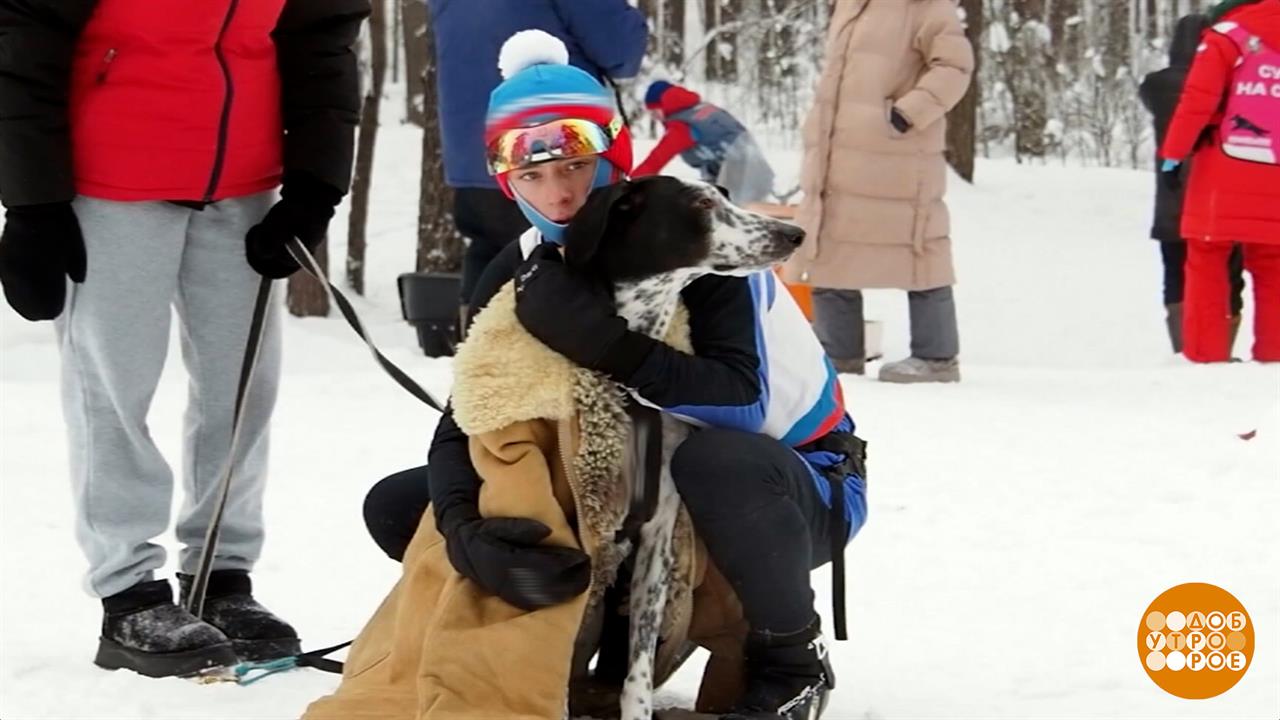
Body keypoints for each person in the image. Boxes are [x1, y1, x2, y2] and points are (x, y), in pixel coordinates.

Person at [360, 31, 867, 719]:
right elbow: (466, 423)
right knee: (406, 504)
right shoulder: (521, 266)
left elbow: (741, 405)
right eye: (531, 173)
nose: (558, 192)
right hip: (635, 483)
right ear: (507, 181)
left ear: (609, 156)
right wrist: (462, 531)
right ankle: (558, 655)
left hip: (793, 485)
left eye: (573, 164)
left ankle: (789, 662)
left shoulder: (688, 236)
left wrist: (601, 344)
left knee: (717, 464)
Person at [0, 0, 368, 677]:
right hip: (109, 178)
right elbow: (23, 35)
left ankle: (221, 579)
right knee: (113, 388)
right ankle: (129, 589)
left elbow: (323, 40)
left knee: (243, 389)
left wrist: (318, 183)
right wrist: (30, 202)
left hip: (246, 183)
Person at [782, 0, 974, 383]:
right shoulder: (852, 5)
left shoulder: (926, 6)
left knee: (920, 246)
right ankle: (838, 354)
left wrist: (907, 114)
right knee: (830, 244)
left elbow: (955, 67)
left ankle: (936, 357)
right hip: (841, 152)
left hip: (898, 153)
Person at [427, 0, 647, 325]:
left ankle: (477, 352)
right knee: (579, 259)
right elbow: (622, 49)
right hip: (571, 147)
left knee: (490, 254)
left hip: (479, 153)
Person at [1159, 0, 1280, 363]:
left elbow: (1197, 101)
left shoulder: (1226, 36)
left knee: (1207, 259)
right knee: (1275, 265)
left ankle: (1206, 357)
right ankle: (1275, 359)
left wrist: (1174, 154)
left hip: (1222, 172)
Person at [1139, 13, 1246, 355]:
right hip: (1217, 197)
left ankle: (1182, 345)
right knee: (1227, 275)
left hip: (1170, 201)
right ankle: (1219, 344)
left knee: (1175, 275)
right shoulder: (1229, 83)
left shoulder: (1156, 86)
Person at [632, 80, 777, 204]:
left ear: (664, 105)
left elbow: (656, 159)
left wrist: (630, 184)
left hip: (741, 183)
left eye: (654, 112)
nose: (655, 118)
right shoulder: (702, 110)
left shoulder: (681, 126)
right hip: (757, 174)